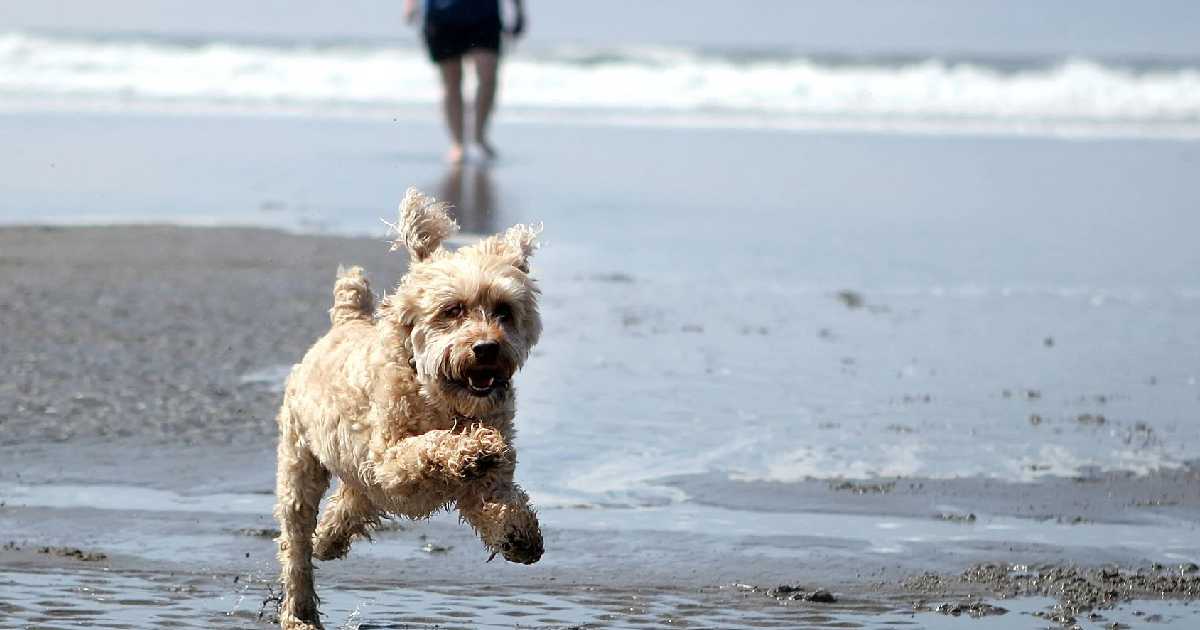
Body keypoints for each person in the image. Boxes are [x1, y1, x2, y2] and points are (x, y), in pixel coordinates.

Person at [405, 0, 525, 163]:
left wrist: (518, 11)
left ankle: (479, 136)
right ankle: (458, 144)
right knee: (451, 82)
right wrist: (410, 5)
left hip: (484, 16)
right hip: (442, 16)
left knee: (488, 77)